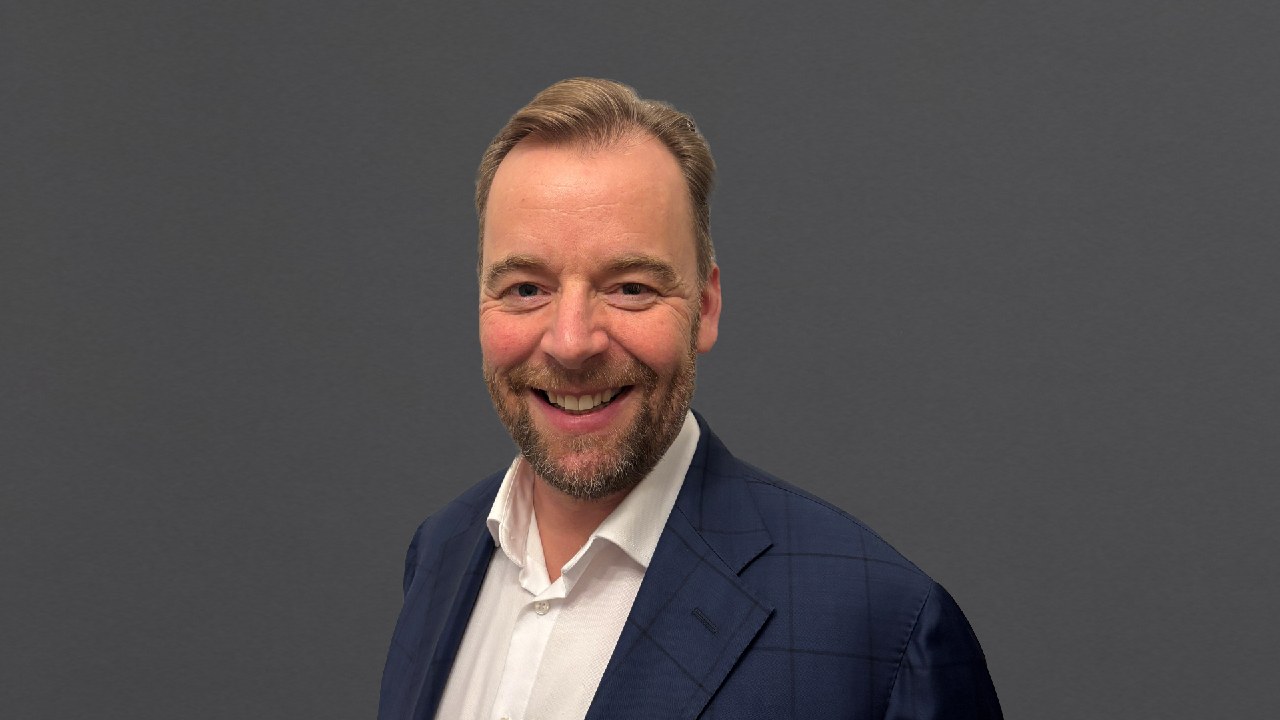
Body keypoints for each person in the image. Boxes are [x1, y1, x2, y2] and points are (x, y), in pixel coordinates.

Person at [378, 77, 1002, 720]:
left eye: (629, 287)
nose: (570, 342)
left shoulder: (884, 632)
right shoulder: (441, 554)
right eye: (525, 289)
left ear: (704, 306)